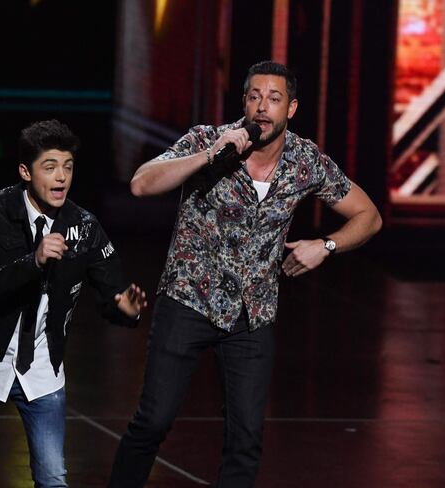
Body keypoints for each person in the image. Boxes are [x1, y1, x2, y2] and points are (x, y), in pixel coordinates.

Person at [109, 60, 382, 487]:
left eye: (274, 99)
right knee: (153, 422)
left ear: (291, 108)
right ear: (243, 102)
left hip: (252, 316)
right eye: (254, 96)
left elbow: (369, 216)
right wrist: (209, 155)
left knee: (247, 439)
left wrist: (325, 246)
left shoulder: (304, 160)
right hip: (188, 300)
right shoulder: (208, 139)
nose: (262, 107)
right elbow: (142, 183)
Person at [0, 119, 147, 487]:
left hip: (42, 368)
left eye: (68, 167)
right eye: (50, 167)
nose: (61, 177)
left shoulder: (85, 226)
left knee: (53, 479)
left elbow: (112, 294)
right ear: (25, 172)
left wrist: (126, 310)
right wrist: (33, 261)